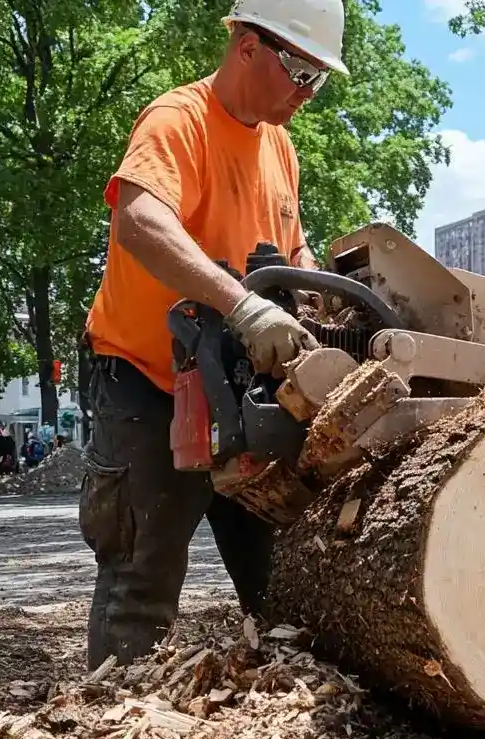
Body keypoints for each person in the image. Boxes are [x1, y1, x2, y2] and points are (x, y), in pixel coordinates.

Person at [79, 0, 346, 670]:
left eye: (319, 79)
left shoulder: (279, 145)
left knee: (282, 584)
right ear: (247, 44)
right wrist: (242, 307)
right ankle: (113, 728)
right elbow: (139, 221)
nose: (306, 94)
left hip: (240, 393)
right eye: (299, 71)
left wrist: (312, 288)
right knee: (140, 582)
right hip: (150, 385)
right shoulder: (179, 122)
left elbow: (290, 244)